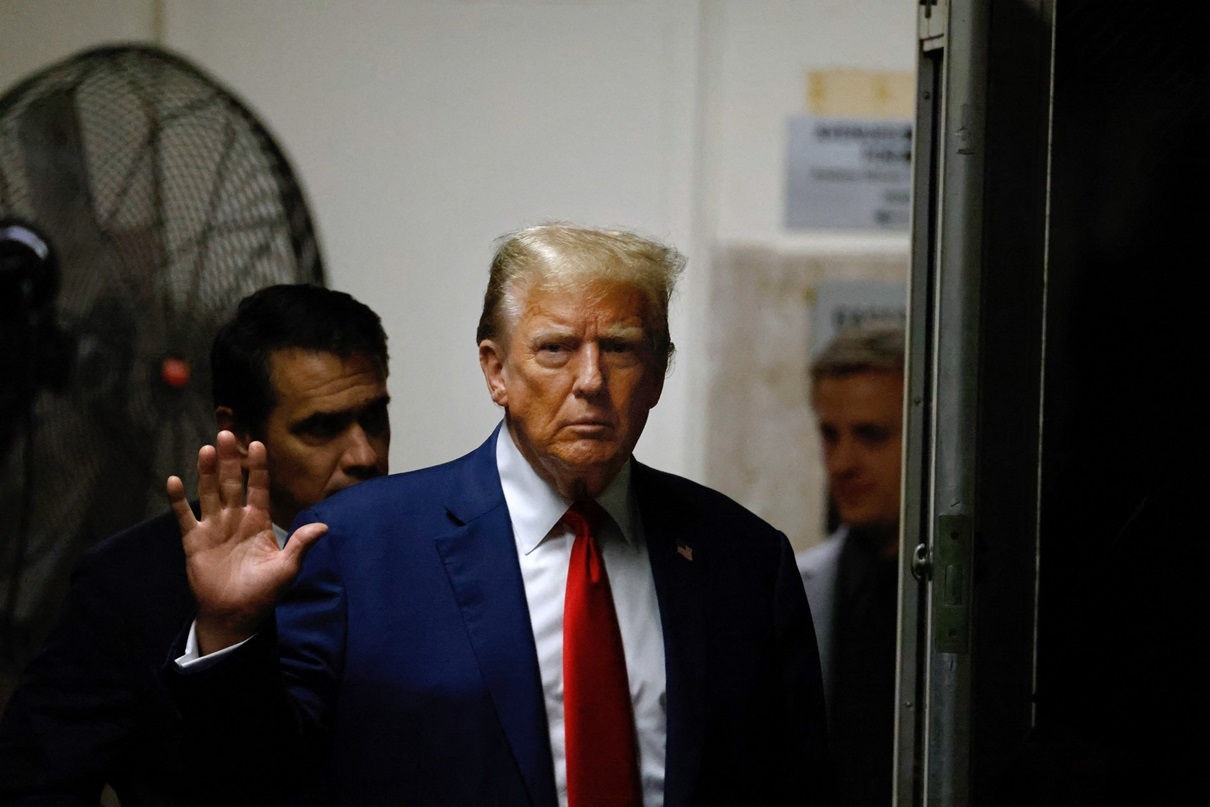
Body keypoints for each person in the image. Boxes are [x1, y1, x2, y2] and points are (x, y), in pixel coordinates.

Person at [168, 223, 831, 806]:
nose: (591, 379)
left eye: (622, 348)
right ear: (496, 372)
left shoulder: (743, 558)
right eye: (555, 349)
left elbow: (794, 783)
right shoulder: (359, 546)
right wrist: (228, 632)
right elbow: (257, 779)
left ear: (658, 374)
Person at [0, 284, 391, 806]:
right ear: (238, 433)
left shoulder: (425, 547)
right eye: (322, 428)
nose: (364, 454)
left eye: (374, 416)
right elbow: (33, 786)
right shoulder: (127, 585)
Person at [796, 320, 905, 807]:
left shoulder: (967, 591)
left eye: (871, 435)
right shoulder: (795, 587)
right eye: (830, 435)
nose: (842, 462)